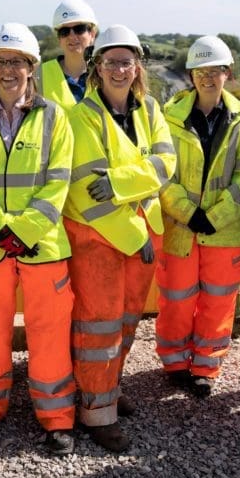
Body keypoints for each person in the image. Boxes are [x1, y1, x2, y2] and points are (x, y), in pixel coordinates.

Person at [0, 22, 77, 456]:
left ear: (32, 67)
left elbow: (59, 179)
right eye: (1, 61)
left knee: (49, 334)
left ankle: (57, 417)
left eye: (18, 62)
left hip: (42, 247)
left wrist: (22, 231)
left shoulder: (54, 117)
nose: (9, 70)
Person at [64, 24, 176, 452]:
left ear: (137, 67)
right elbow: (87, 189)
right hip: (99, 239)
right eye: (110, 61)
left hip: (143, 235)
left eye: (126, 61)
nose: (119, 69)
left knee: (126, 321)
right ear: (97, 68)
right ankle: (95, 411)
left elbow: (166, 164)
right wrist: (133, 235)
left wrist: (120, 181)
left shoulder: (148, 109)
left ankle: (109, 387)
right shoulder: (81, 118)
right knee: (98, 329)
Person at [156, 36, 240, 398]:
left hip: (224, 229)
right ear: (190, 75)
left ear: (227, 73)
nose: (209, 78)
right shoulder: (169, 117)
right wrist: (187, 212)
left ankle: (205, 366)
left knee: (218, 301)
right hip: (181, 227)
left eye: (216, 71)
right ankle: (175, 362)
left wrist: (213, 216)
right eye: (202, 71)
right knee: (176, 299)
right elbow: (162, 172)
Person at [39, 0, 98, 110]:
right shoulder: (39, 76)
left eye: (79, 29)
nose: (71, 36)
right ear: (59, 38)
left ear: (92, 34)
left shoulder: (107, 74)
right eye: (64, 31)